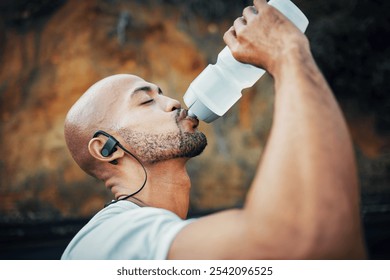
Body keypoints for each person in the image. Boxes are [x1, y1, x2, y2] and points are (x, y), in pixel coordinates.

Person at [61, 0, 366, 259]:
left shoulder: (163, 235)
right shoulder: (106, 239)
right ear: (105, 149)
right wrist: (287, 54)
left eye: (162, 93)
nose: (171, 103)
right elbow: (297, 246)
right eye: (145, 101)